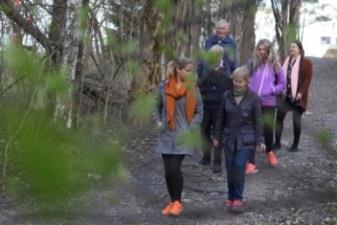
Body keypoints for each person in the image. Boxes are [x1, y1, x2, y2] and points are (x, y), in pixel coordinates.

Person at [152, 57, 203, 216]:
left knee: (174, 169)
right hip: (166, 135)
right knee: (168, 173)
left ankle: (178, 202)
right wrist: (158, 121)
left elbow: (200, 111)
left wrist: (191, 127)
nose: (190, 74)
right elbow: (155, 107)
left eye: (192, 71)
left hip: (183, 135)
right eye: (187, 70)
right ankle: (172, 201)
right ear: (178, 70)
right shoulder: (164, 86)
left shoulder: (193, 89)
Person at [213, 66, 265, 213]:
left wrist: (260, 140)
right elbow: (220, 117)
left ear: (247, 82)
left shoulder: (253, 98)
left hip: (246, 139)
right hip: (229, 138)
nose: (236, 83)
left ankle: (238, 198)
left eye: (240, 81)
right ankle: (230, 196)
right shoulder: (226, 95)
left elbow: (258, 121)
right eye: (235, 81)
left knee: (238, 166)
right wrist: (217, 136)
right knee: (230, 169)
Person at [246, 39, 285, 174]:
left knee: (267, 130)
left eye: (264, 49)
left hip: (268, 102)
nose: (261, 52)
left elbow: (282, 84)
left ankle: (269, 151)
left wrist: (272, 90)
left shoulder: (275, 65)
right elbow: (244, 76)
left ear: (269, 50)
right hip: (252, 102)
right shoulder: (252, 63)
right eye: (259, 49)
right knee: (251, 131)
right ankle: (251, 162)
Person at [197, 45, 233, 173]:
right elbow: (198, 83)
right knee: (204, 131)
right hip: (206, 105)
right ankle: (206, 157)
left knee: (218, 134)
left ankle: (217, 162)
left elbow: (231, 86)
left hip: (220, 107)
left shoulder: (227, 68)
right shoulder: (203, 66)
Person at [274, 40, 313, 152]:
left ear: (299, 49)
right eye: (290, 47)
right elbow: (279, 77)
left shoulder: (306, 63)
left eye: (294, 47)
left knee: (296, 121)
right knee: (279, 119)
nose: (291, 49)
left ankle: (295, 145)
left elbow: (307, 80)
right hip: (285, 96)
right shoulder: (284, 61)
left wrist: (300, 92)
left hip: (298, 98)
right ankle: (277, 143)